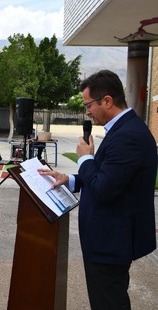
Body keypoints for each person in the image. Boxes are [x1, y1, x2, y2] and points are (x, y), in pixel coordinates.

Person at [38, 70, 157, 310]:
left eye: (89, 105)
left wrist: (85, 159)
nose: (87, 112)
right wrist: (69, 179)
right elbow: (108, 177)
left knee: (108, 302)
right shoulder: (124, 130)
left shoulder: (128, 137)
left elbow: (104, 189)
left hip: (111, 241)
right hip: (110, 239)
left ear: (108, 101)